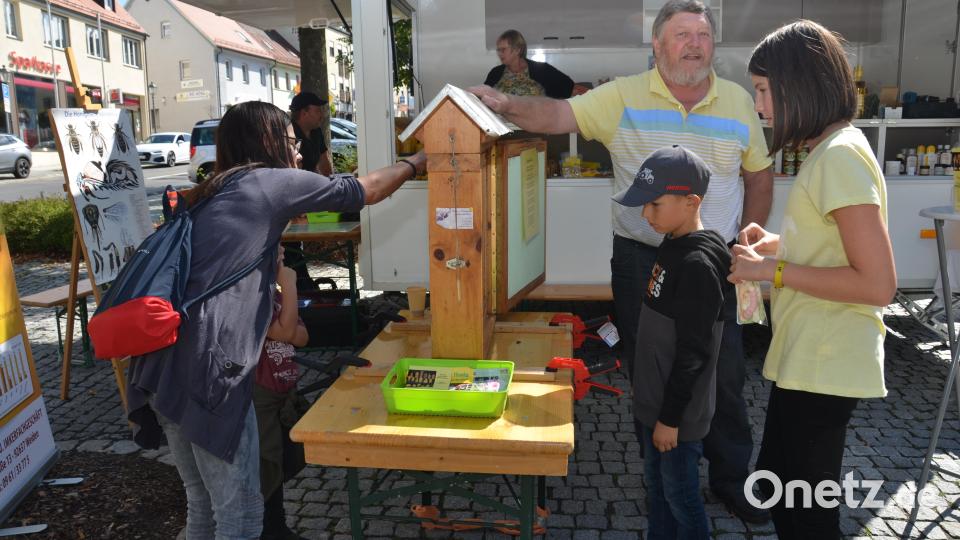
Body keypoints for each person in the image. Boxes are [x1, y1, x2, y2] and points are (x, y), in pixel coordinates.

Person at [470, 0, 774, 523]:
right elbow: (558, 113)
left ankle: (731, 479)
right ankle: (661, 478)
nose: (695, 44)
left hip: (712, 261)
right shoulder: (623, 96)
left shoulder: (739, 102)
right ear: (657, 46)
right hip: (641, 260)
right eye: (682, 34)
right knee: (649, 371)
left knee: (723, 373)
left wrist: (748, 235)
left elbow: (759, 174)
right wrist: (504, 103)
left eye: (703, 34)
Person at [125, 100, 426, 539]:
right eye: (291, 140)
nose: (300, 151)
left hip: (161, 367)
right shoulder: (269, 183)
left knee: (204, 510)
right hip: (211, 377)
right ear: (268, 142)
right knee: (242, 516)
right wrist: (418, 161)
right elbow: (364, 190)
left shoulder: (212, 189)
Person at [730, 20, 896, 538]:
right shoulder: (831, 149)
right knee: (784, 495)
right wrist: (775, 245)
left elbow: (877, 284)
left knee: (805, 516)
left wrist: (770, 270)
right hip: (809, 358)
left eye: (762, 90)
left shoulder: (841, 156)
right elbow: (833, 249)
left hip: (825, 363)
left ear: (796, 83)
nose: (759, 107)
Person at [618, 145, 729, 540]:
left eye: (655, 205)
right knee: (659, 494)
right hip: (656, 404)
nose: (646, 215)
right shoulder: (673, 243)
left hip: (676, 418)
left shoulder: (698, 266)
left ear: (691, 201)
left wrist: (669, 419)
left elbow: (693, 352)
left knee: (680, 496)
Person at [254, 247, 309, 540]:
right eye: (277, 248)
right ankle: (269, 529)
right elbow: (287, 331)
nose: (284, 250)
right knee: (267, 462)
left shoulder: (275, 297)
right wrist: (289, 284)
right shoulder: (255, 298)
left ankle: (276, 526)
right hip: (261, 394)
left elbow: (300, 335)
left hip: (283, 390)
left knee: (287, 457)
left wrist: (285, 296)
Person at [287, 91, 334, 290]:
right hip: (292, 197)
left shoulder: (316, 132)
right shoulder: (289, 133)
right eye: (317, 111)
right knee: (291, 243)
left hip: (309, 195)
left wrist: (332, 187)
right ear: (304, 113)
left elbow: (324, 162)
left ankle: (303, 283)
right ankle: (300, 285)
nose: (321, 115)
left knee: (298, 242)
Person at [483, 29, 576, 99]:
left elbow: (569, 86)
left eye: (503, 50)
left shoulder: (541, 69)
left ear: (517, 50)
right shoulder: (495, 73)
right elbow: (483, 97)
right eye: (498, 50)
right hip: (500, 122)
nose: (499, 53)